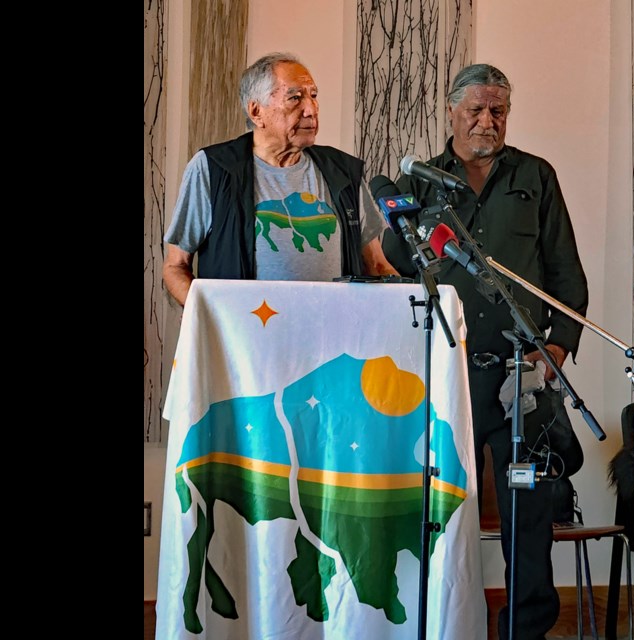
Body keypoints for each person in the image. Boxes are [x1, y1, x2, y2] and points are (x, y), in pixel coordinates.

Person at [383, 63, 589, 640]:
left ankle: (525, 630)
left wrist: (556, 351)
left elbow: (567, 277)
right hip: (444, 373)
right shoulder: (421, 183)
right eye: (475, 109)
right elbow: (401, 271)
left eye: (497, 110)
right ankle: (438, 623)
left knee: (530, 513)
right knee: (437, 510)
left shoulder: (535, 176)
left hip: (520, 377)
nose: (486, 120)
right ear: (451, 112)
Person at [162, 52, 397, 305]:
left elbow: (376, 264)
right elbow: (175, 266)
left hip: (332, 336)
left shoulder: (343, 172)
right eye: (295, 98)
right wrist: (215, 320)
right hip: (247, 337)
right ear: (256, 111)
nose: (311, 109)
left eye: (313, 96)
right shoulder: (214, 168)